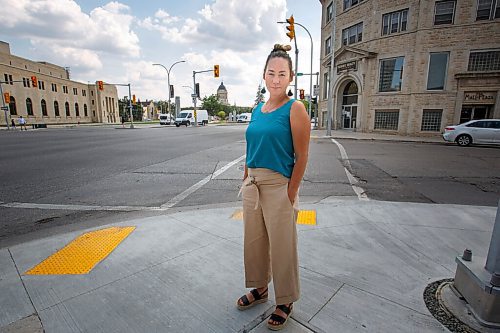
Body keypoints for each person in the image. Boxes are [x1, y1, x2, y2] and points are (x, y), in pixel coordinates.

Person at [236, 44, 310, 331]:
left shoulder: (295, 109)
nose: (276, 79)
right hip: (252, 184)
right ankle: (260, 288)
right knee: (254, 243)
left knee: (282, 247)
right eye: (271, 73)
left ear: (290, 77)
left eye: (282, 73)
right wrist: (245, 178)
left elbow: (302, 156)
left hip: (279, 185)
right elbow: (250, 147)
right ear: (264, 76)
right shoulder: (257, 110)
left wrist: (290, 193)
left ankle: (286, 300)